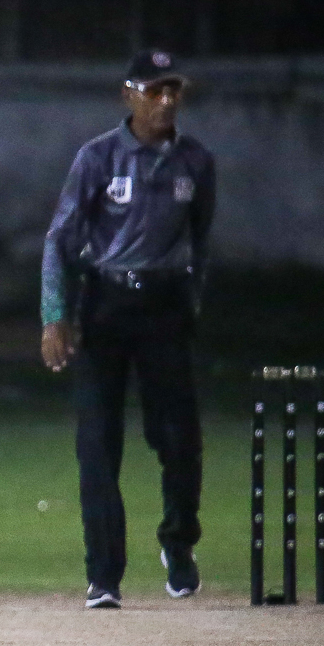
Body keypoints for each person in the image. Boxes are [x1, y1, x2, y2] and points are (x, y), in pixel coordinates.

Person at [40, 49, 217, 610]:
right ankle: (104, 574)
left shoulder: (195, 161)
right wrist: (55, 316)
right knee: (97, 443)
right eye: (153, 90)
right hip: (106, 305)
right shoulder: (98, 158)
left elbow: (201, 243)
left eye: (173, 90)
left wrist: (191, 303)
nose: (165, 101)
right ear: (129, 95)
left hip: (164, 307)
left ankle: (178, 543)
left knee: (179, 439)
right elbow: (60, 240)